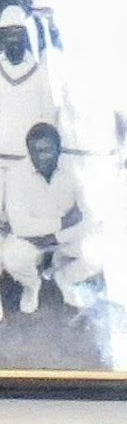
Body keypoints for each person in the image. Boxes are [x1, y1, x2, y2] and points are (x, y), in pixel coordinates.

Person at [1, 121, 95, 312]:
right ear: (28, 151)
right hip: (31, 240)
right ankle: (32, 286)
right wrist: (62, 222)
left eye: (48, 150)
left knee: (100, 250)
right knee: (12, 256)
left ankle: (65, 277)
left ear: (59, 149)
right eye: (35, 151)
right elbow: (20, 226)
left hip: (64, 237)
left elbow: (87, 218)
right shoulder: (15, 175)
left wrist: (55, 237)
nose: (42, 157)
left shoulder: (76, 171)